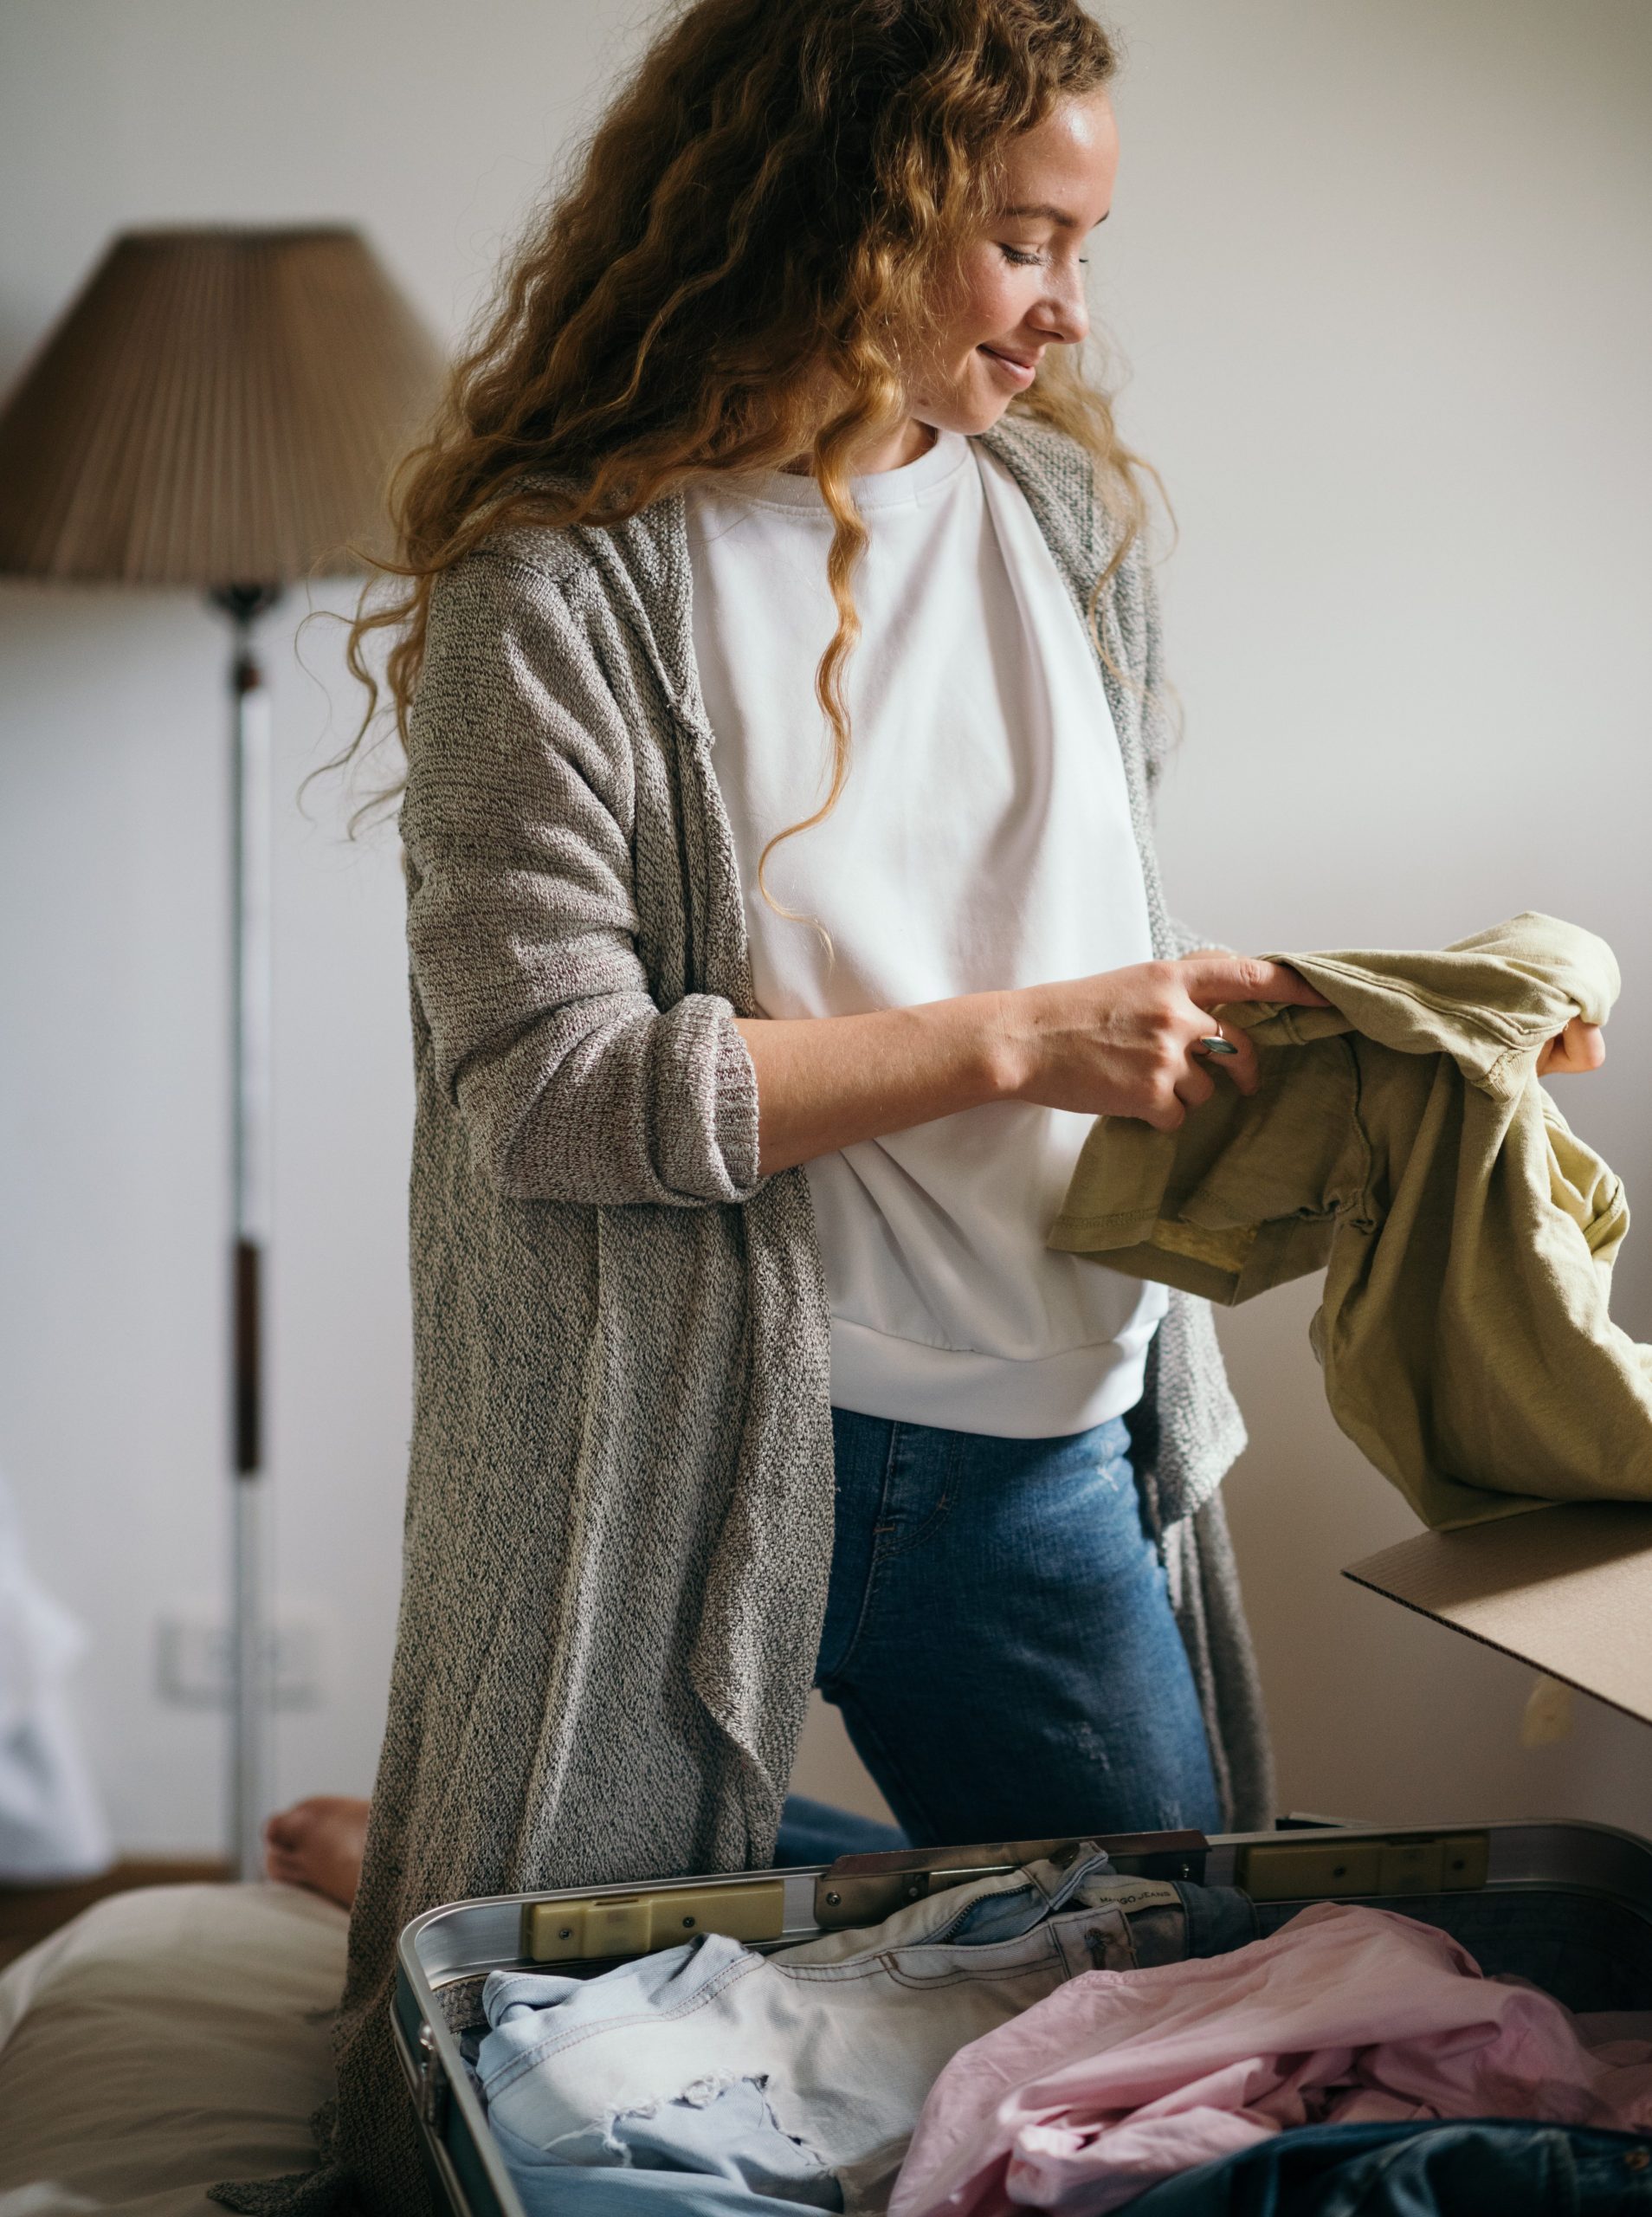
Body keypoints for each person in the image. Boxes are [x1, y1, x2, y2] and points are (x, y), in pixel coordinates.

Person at [230, 4, 1603, 2210]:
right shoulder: (553, 598)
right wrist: (1020, 1040)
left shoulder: (1064, 521)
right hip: (673, 1460)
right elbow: (554, 1095)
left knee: (1191, 1999)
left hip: (1053, 1446)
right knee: (480, 2053)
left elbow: (1072, 956)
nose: (1070, 307)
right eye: (1022, 242)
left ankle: (681, 1854)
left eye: (1088, 244)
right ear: (840, 226)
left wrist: (1392, 1049)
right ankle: (427, 1867)